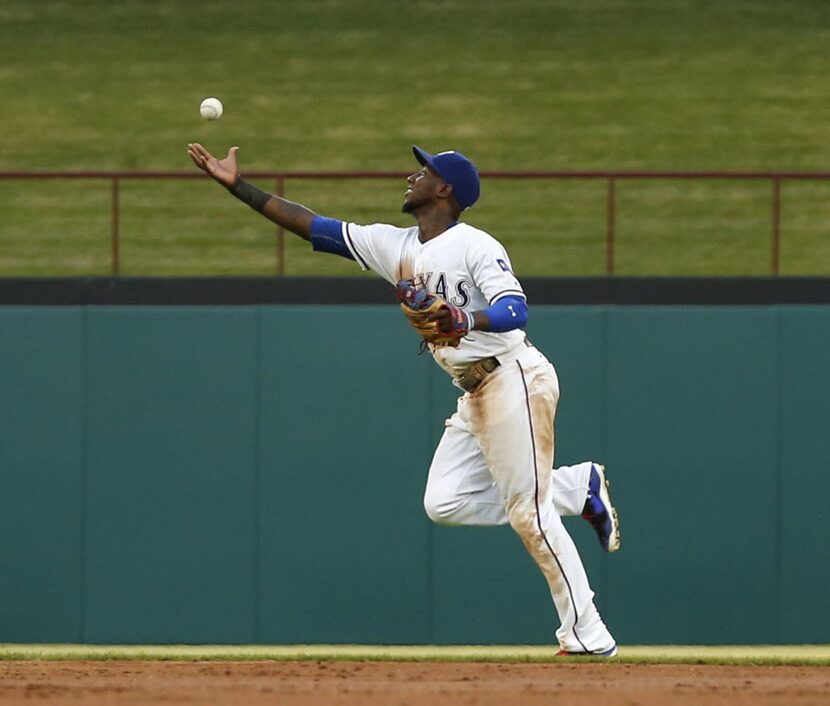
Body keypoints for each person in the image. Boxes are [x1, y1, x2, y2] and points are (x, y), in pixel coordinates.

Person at [187, 142, 621, 655]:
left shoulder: (475, 245)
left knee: (529, 514)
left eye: (425, 171)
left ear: (446, 189)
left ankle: (588, 633)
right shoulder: (395, 245)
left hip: (514, 379)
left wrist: (465, 318)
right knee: (445, 501)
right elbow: (313, 225)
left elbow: (515, 310)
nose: (412, 176)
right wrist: (238, 186)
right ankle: (576, 488)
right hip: (474, 391)